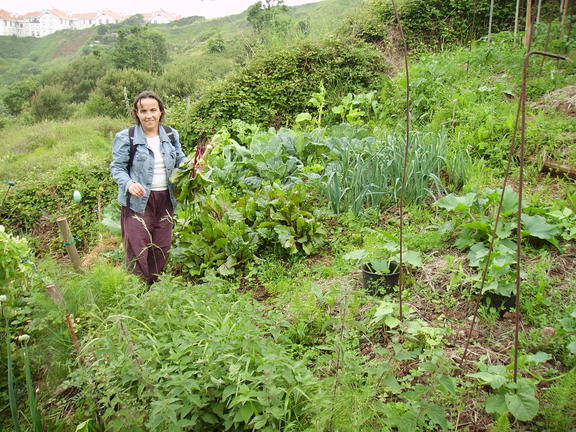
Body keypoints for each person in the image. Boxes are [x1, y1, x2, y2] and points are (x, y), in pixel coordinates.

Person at [110, 90, 188, 284]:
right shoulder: (126, 137)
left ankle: (154, 287)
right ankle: (137, 291)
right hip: (138, 202)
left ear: (161, 111)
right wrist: (129, 184)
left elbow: (180, 158)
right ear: (137, 113)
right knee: (138, 248)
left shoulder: (170, 134)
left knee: (161, 247)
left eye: (153, 110)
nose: (149, 115)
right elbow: (117, 168)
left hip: (165, 199)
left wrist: (192, 165)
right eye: (143, 111)